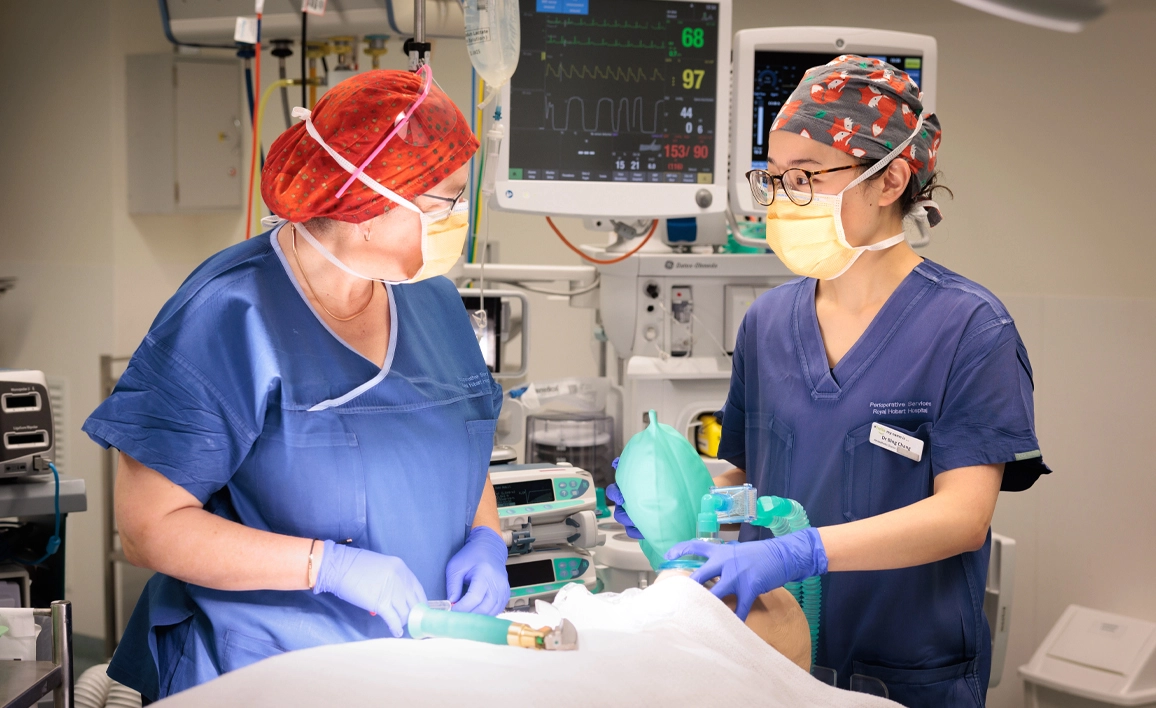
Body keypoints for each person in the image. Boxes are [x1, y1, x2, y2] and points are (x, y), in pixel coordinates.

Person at [609, 55, 1049, 706]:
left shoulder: (969, 328)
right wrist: (669, 495)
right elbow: (743, 475)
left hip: (907, 679)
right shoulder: (769, 323)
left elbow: (963, 517)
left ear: (890, 178)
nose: (784, 200)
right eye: (776, 178)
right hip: (776, 664)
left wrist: (803, 552)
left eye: (807, 177)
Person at [83, 68, 510, 702]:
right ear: (368, 205)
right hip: (258, 672)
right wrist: (327, 567)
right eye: (442, 203)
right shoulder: (229, 313)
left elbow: (458, 444)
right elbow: (150, 527)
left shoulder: (434, 303)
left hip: (415, 670)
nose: (458, 220)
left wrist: (488, 538)